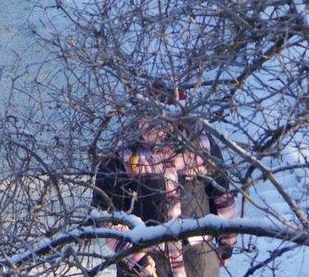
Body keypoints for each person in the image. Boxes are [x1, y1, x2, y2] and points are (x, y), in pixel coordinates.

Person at [91, 82, 239, 276]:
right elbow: (102, 214)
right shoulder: (124, 153)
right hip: (146, 265)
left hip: (198, 259)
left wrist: (226, 244)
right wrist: (135, 257)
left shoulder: (202, 145)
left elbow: (223, 197)